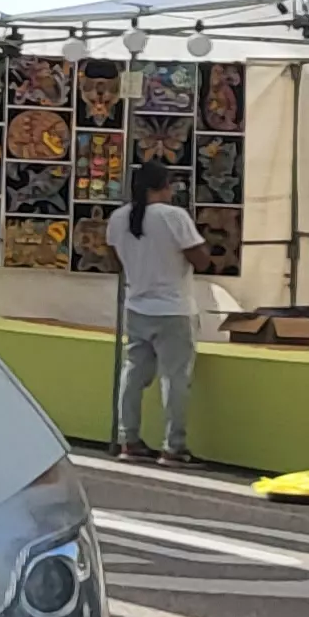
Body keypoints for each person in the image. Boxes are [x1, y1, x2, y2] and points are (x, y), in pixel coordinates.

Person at [105, 158, 212, 465]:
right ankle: (173, 446)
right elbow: (201, 259)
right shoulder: (173, 216)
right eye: (169, 185)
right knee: (175, 379)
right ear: (161, 187)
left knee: (133, 374)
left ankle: (129, 439)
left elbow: (116, 262)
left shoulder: (118, 218)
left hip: (137, 305)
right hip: (173, 308)